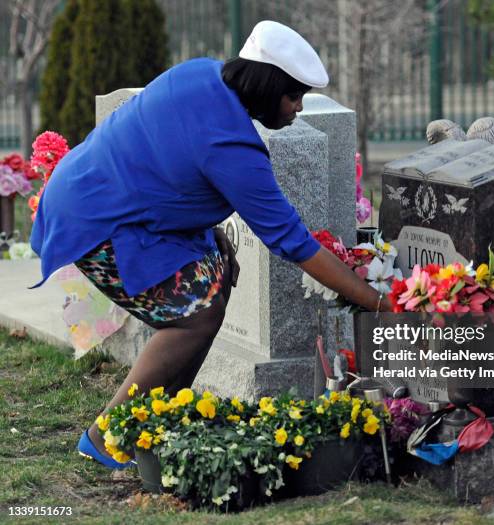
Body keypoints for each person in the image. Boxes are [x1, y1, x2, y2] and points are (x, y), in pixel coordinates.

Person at [30, 20, 392, 469]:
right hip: (96, 220)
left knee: (211, 288)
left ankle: (162, 419)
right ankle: (107, 436)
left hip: (96, 195)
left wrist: (208, 231)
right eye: (293, 96)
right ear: (268, 85)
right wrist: (379, 304)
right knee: (193, 318)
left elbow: (167, 163)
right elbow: (292, 242)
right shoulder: (233, 146)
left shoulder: (201, 74)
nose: (298, 107)